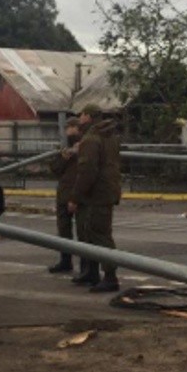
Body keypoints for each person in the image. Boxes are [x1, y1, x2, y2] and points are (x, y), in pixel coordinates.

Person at [67, 104, 122, 293]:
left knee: (99, 235)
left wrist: (75, 196)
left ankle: (109, 276)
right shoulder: (110, 136)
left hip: (96, 195)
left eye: (82, 115)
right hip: (106, 191)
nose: (79, 118)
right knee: (91, 233)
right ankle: (92, 272)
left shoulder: (91, 139)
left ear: (88, 117)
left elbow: (87, 171)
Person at [48, 117, 81, 274]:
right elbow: (54, 168)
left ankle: (87, 265)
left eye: (70, 128)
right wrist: (64, 157)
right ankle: (65, 260)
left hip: (78, 193)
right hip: (64, 192)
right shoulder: (65, 147)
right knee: (63, 230)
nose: (68, 131)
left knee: (83, 231)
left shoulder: (86, 146)